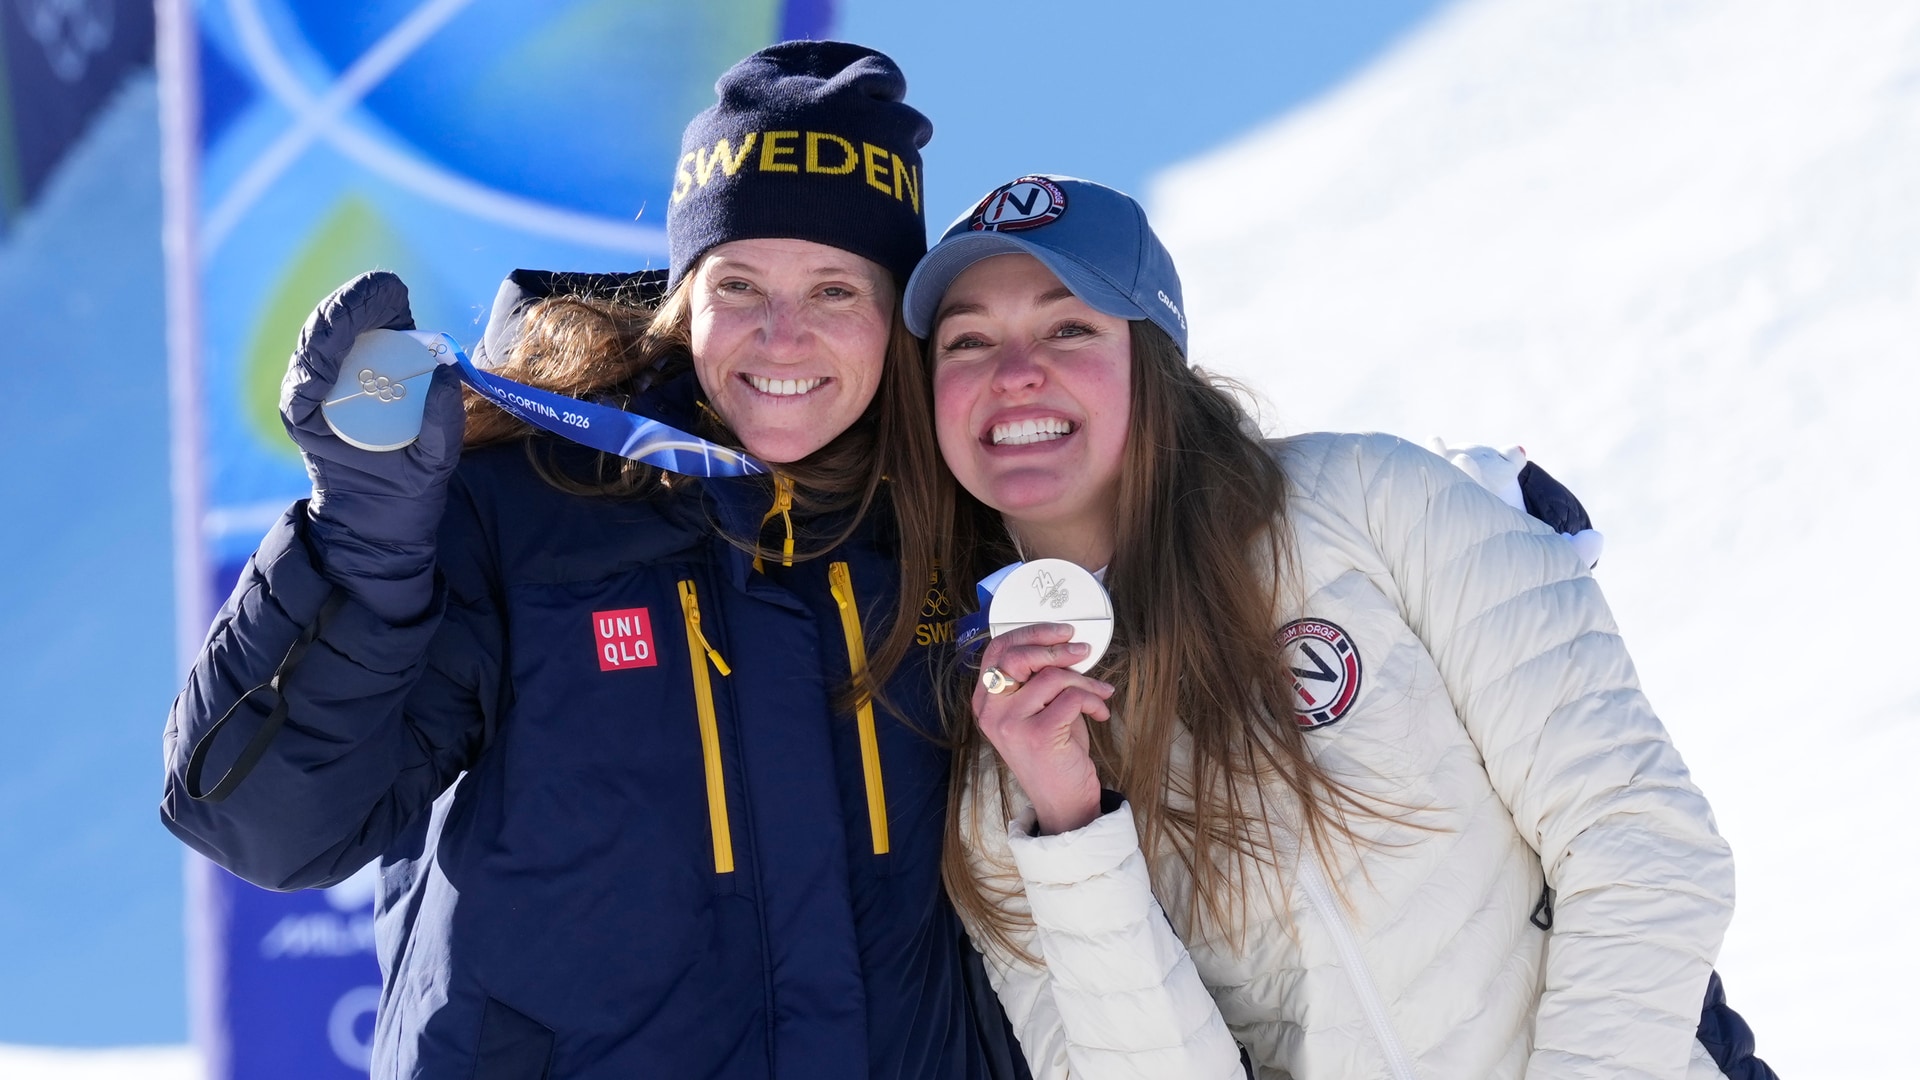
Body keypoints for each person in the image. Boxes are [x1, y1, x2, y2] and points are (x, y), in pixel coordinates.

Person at [162, 43, 1025, 1079]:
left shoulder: (956, 523)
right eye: (740, 282)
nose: (783, 336)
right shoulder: (530, 503)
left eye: (836, 290)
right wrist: (358, 550)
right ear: (684, 291)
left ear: (895, 315)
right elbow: (265, 826)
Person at [901, 175, 1773, 1079]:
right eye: (969, 341)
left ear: (1152, 361)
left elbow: (1643, 842)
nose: (1013, 372)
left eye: (1069, 326)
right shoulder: (998, 791)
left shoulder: (1372, 505)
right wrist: (1073, 825)